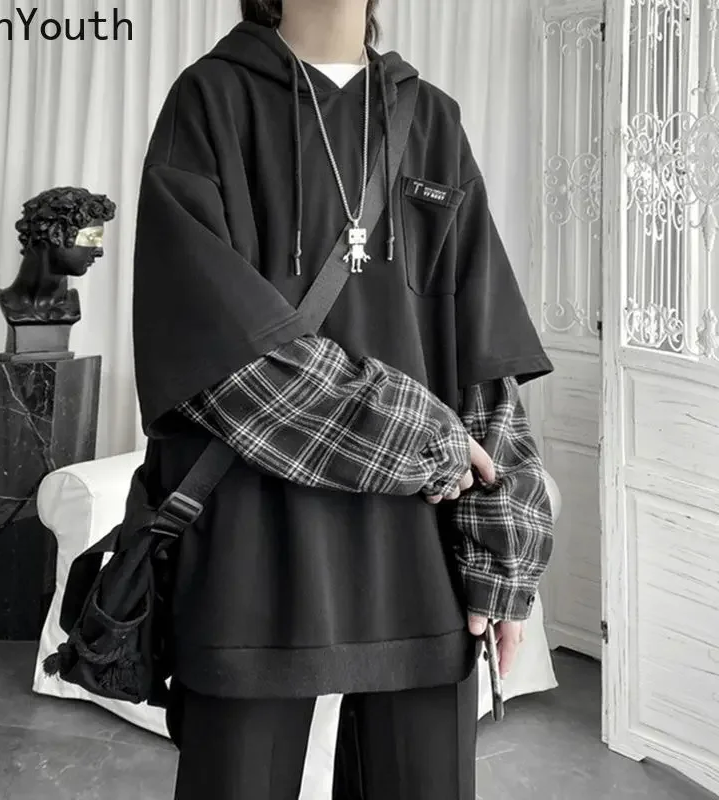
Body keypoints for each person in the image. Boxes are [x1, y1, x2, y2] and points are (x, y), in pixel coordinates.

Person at [131, 0, 555, 797]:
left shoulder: (431, 118)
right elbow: (220, 357)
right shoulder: (210, 99)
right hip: (253, 555)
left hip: (421, 563)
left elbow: (483, 360)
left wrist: (506, 557)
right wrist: (425, 443)